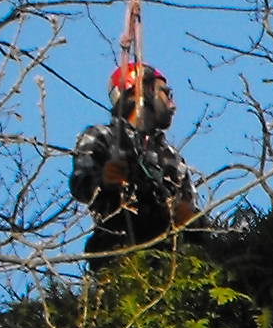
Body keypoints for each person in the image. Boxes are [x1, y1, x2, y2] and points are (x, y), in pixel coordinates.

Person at [72, 58, 199, 255]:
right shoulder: (103, 137)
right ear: (141, 92)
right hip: (118, 251)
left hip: (166, 257)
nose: (172, 104)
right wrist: (105, 180)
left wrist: (187, 216)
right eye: (165, 93)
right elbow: (82, 184)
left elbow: (191, 212)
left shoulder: (171, 158)